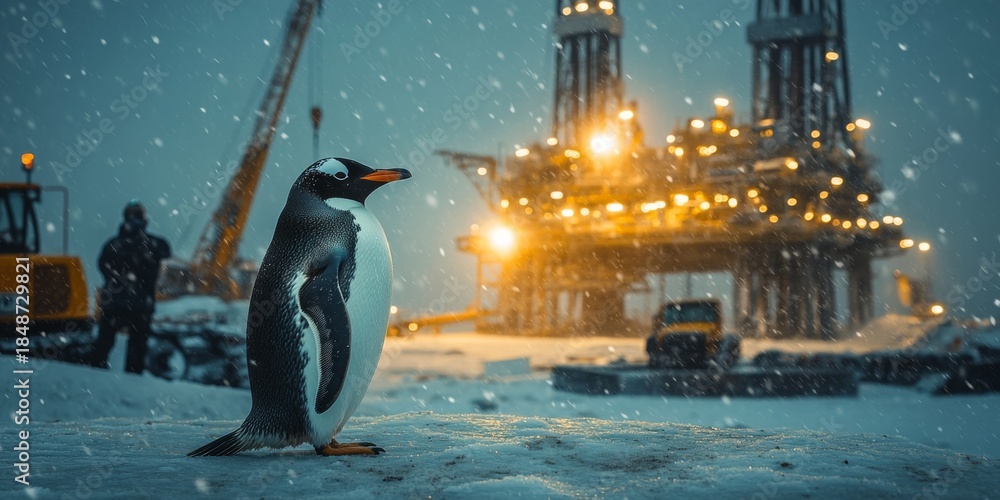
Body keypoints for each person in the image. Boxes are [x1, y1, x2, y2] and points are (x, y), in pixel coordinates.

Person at [90, 200, 171, 374]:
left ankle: (96, 373)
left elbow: (103, 265)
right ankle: (131, 379)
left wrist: (117, 279)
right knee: (136, 347)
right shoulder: (153, 244)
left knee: (104, 344)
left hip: (115, 303)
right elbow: (166, 251)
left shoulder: (113, 244)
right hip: (139, 305)